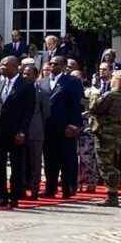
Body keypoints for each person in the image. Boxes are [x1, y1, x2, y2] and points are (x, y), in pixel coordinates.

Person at [0, 56, 36, 209]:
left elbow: (29, 112)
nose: (0, 67)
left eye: (4, 65)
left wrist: (22, 132)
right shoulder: (0, 83)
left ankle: (14, 196)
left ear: (15, 67)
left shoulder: (26, 85)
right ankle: (1, 196)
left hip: (15, 132)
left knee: (16, 166)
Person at [43, 56, 84, 198]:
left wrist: (74, 125)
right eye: (51, 63)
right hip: (47, 128)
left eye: (56, 64)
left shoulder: (72, 82)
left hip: (66, 127)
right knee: (49, 160)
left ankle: (68, 188)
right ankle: (50, 188)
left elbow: (78, 105)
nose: (53, 66)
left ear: (64, 66)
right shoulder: (43, 82)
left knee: (67, 159)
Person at [90, 70, 121, 206]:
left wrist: (94, 93)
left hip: (106, 134)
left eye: (113, 78)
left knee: (105, 163)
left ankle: (112, 195)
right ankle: (112, 193)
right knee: (113, 162)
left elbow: (94, 107)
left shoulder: (111, 95)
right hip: (118, 134)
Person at [23, 65, 49, 200]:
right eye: (24, 74)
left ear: (35, 75)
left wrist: (39, 127)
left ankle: (34, 190)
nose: (25, 76)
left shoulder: (41, 91)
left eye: (28, 74)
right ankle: (22, 188)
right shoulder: (20, 89)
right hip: (21, 131)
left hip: (36, 131)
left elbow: (46, 113)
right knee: (22, 162)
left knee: (35, 162)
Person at [76, 70, 99, 193]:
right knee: (75, 157)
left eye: (77, 76)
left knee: (87, 157)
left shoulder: (92, 91)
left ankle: (91, 182)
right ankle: (77, 181)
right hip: (74, 127)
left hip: (87, 128)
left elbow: (93, 108)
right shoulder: (69, 90)